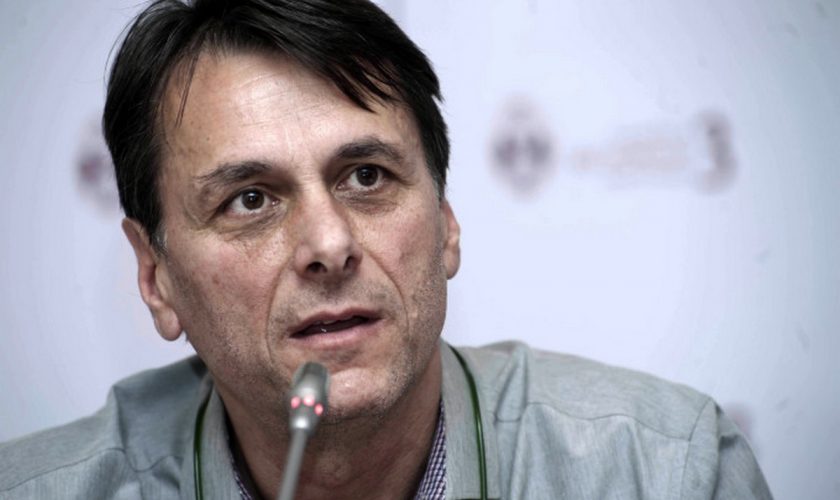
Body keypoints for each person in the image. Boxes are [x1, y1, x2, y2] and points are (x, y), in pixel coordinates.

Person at [0, 0, 772, 498]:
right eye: (251, 200)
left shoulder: (665, 471)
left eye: (367, 176)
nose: (330, 244)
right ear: (155, 276)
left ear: (446, 222)